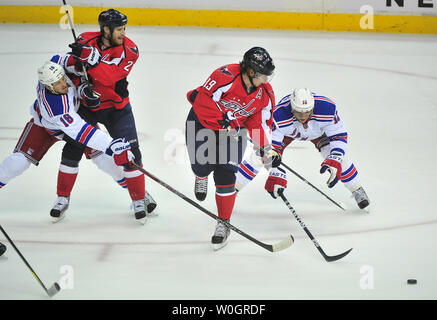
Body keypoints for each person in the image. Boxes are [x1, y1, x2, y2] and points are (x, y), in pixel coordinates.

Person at [53, 8, 157, 223]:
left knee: (131, 153)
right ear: (106, 29)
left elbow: (110, 78)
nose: (123, 33)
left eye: (124, 28)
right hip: (89, 108)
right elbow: (72, 71)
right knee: (72, 149)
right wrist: (79, 77)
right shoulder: (85, 40)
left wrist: (92, 60)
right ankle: (62, 198)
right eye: (119, 29)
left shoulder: (130, 50)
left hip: (117, 110)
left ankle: (138, 198)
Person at [0, 60, 135, 222]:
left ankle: (138, 194)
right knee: (18, 162)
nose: (64, 83)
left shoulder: (55, 72)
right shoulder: (56, 107)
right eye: (58, 83)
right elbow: (81, 132)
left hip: (78, 116)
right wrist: (111, 145)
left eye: (63, 78)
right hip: (46, 127)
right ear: (49, 86)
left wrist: (82, 56)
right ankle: (62, 198)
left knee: (104, 161)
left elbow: (61, 58)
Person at [185, 46, 277, 250]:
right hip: (202, 124)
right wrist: (222, 120)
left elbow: (259, 123)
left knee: (226, 174)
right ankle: (200, 176)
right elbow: (201, 103)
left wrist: (265, 147)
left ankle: (223, 222)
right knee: (201, 166)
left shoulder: (265, 94)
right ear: (251, 71)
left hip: (234, 132)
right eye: (263, 76)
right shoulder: (224, 76)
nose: (266, 81)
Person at [235, 88, 370, 210]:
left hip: (318, 132)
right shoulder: (279, 114)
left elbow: (338, 135)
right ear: (292, 108)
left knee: (340, 158)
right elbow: (269, 148)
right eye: (299, 112)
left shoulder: (327, 108)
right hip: (288, 133)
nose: (303, 117)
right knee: (258, 157)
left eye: (307, 112)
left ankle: (357, 189)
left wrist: (335, 157)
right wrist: (274, 169)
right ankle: (232, 188)